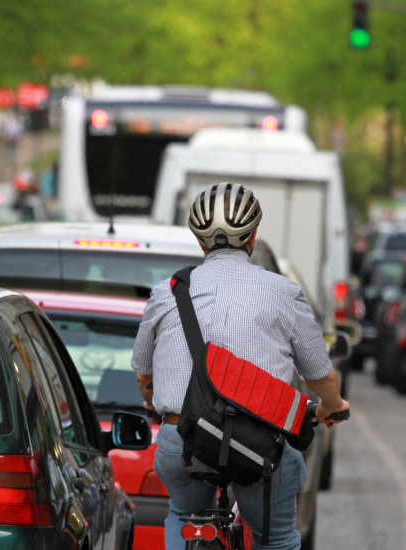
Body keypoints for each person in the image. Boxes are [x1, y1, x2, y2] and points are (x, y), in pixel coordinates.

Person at [131, 182, 350, 549]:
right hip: (258, 447)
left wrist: (154, 404)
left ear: (199, 241)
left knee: (181, 515)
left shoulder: (166, 292)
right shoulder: (283, 292)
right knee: (276, 538)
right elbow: (322, 375)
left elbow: (143, 375)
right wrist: (333, 405)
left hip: (181, 439)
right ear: (253, 237)